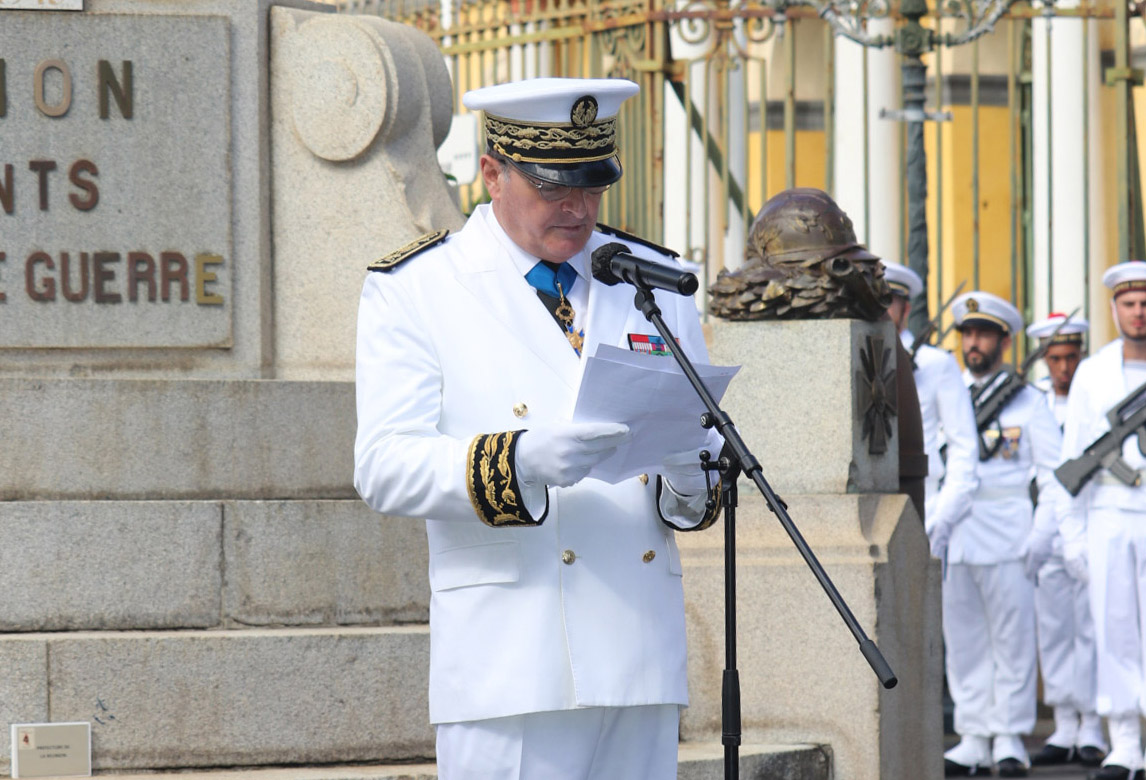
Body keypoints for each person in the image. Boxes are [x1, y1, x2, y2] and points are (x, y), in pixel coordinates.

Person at [353, 77, 722, 780]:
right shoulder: (419, 288)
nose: (578, 207)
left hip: (638, 653)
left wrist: (686, 471)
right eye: (553, 187)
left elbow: (697, 478)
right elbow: (384, 465)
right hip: (510, 660)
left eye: (592, 184)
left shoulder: (654, 281)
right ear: (492, 172)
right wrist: (519, 460)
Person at [941, 291, 1067, 778]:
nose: (974, 343)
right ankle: (973, 734)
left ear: (1004, 341)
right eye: (968, 334)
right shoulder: (947, 395)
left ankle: (1011, 734)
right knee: (965, 636)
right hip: (957, 531)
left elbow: (1055, 474)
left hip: (1010, 529)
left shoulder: (1027, 401)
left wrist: (1042, 534)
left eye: (984, 334)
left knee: (1013, 639)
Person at [1059, 261, 1146, 780]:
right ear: (1114, 309)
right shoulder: (1093, 372)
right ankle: (1124, 741)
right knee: (1114, 629)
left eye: (1145, 304)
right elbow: (1073, 459)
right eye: (1130, 304)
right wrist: (1072, 536)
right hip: (1110, 513)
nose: (1139, 313)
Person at [1024, 313, 1107, 768]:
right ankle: (1064, 723)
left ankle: (1093, 725)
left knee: (1091, 630)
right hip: (1046, 531)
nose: (1063, 368)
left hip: (1087, 527)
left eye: (1071, 357)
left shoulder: (1092, 402)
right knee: (1054, 631)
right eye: (1055, 359)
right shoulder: (1034, 405)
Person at [882, 264, 978, 558]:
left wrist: (940, 520)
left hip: (925, 500)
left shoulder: (936, 364)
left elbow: (963, 447)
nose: (881, 308)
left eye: (889, 301)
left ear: (906, 308)